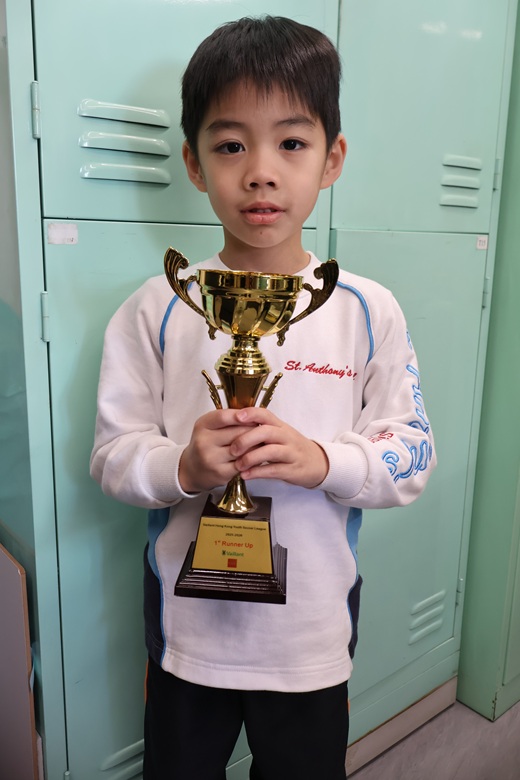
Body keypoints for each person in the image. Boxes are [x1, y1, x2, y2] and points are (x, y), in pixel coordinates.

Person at [90, 15, 436, 780]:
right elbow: (112, 457)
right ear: (193, 161)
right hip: (186, 635)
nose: (260, 172)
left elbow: (413, 455)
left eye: (291, 143)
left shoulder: (367, 310)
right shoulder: (158, 307)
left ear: (332, 158)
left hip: (311, 638)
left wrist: (325, 462)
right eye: (230, 145)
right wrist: (182, 467)